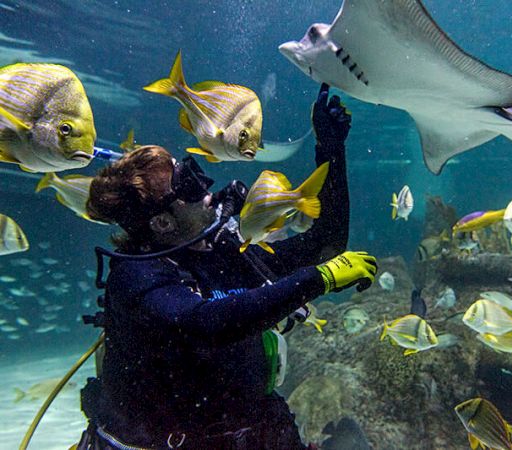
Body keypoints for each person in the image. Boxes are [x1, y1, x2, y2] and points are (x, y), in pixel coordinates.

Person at [75, 84, 377, 449]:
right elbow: (206, 323)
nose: (205, 188)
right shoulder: (137, 276)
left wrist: (330, 148)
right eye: (186, 185)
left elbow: (326, 243)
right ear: (163, 223)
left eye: (191, 170)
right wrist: (321, 278)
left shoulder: (227, 252)